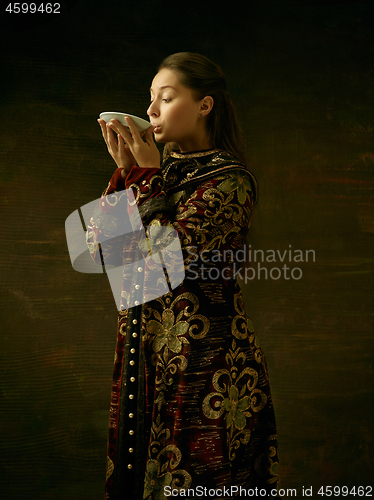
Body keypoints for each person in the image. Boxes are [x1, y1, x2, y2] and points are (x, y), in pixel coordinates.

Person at [88, 52, 279, 500]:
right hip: (144, 359)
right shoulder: (155, 173)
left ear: (204, 105)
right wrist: (125, 175)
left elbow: (160, 265)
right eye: (150, 98)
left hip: (204, 367)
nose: (151, 110)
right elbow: (103, 255)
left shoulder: (232, 181)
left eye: (167, 97)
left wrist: (148, 177)